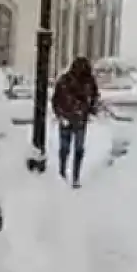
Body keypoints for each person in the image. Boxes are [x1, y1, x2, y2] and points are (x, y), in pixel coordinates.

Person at [50, 56, 100, 188]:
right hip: (78, 119)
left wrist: (60, 114)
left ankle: (63, 174)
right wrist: (91, 110)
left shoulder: (65, 80)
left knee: (65, 149)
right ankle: (74, 177)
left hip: (68, 118)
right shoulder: (88, 81)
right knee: (77, 149)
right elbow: (94, 98)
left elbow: (55, 100)